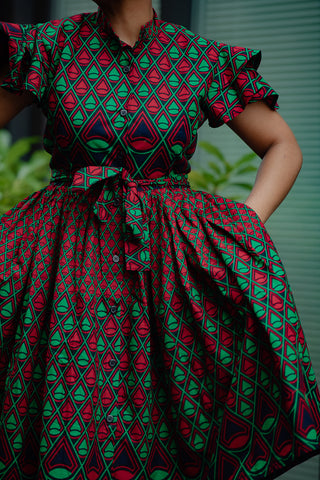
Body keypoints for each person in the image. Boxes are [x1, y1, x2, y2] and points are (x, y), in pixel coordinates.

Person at [0, 0, 319, 478]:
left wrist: (243, 225)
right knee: (75, 407)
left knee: (172, 413)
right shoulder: (49, 45)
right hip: (65, 260)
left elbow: (283, 146)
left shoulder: (201, 58)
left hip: (169, 263)